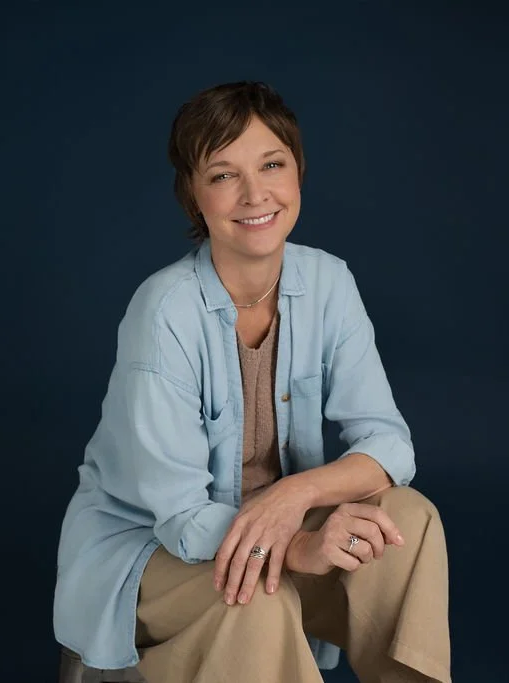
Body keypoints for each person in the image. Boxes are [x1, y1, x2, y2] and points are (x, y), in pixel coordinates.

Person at [53, 81, 451, 683]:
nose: (254, 193)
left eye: (272, 164)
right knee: (255, 592)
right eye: (222, 174)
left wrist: (293, 498)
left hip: (269, 524)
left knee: (408, 521)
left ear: (298, 174)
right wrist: (296, 546)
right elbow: (183, 519)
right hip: (153, 552)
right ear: (193, 195)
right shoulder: (163, 312)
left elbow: (390, 445)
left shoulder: (329, 282)